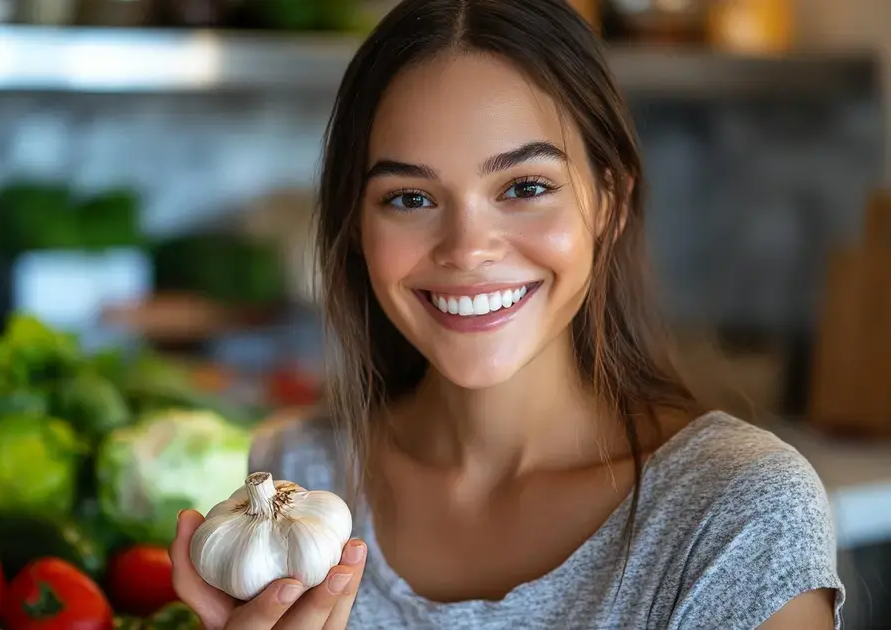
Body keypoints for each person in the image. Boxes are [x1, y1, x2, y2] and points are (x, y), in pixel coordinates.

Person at [170, 0, 845, 628]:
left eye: (525, 187)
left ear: (608, 201)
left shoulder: (737, 513)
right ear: (355, 226)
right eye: (409, 198)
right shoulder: (293, 476)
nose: (466, 251)